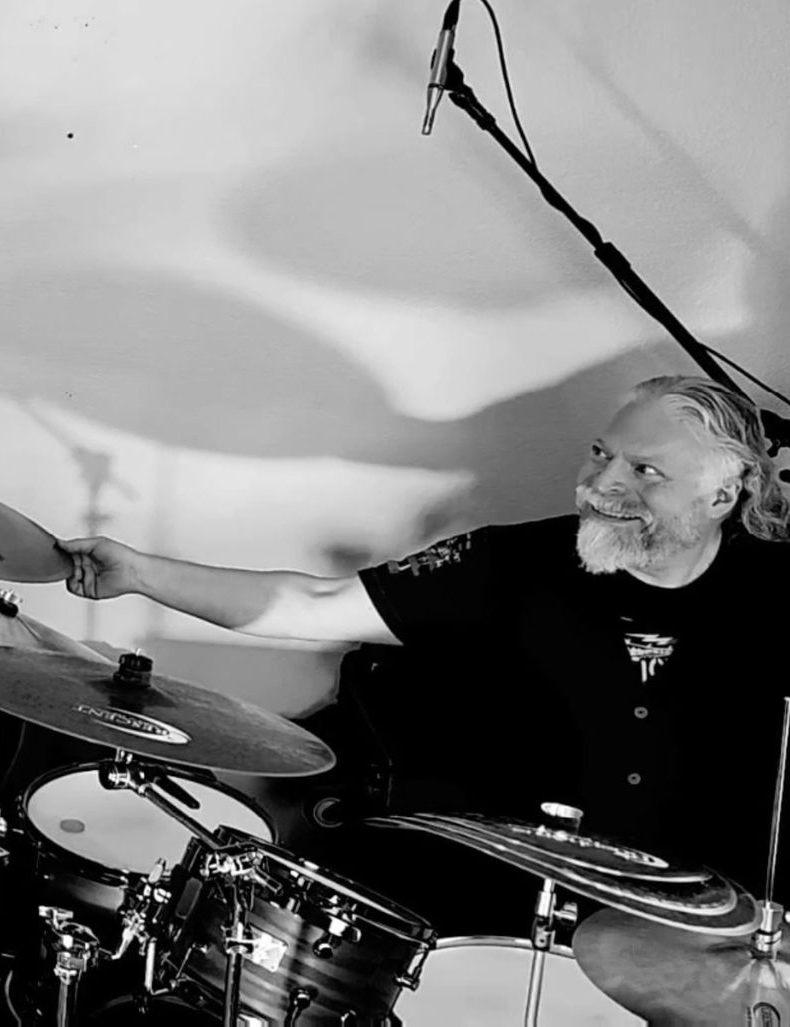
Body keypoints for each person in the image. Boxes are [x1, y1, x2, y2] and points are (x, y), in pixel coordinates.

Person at [61, 375, 790, 936]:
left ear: (723, 494)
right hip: (500, 924)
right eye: (601, 453)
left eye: (645, 471)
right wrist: (141, 573)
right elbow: (312, 604)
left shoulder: (778, 597)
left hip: (704, 943)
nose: (601, 486)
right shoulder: (512, 564)